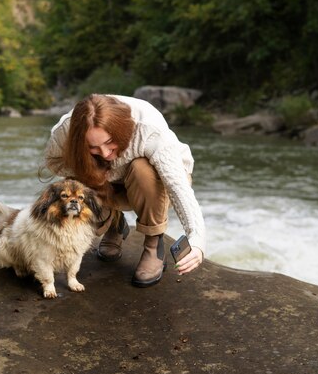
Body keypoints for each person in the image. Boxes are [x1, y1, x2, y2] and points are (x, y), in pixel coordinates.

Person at [44, 93, 205, 288]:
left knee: (141, 169)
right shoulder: (64, 131)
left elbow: (178, 187)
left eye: (109, 141)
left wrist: (196, 239)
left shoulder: (149, 132)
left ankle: (153, 244)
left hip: (155, 181)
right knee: (79, 187)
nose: (104, 152)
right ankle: (114, 224)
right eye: (93, 147)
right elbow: (54, 163)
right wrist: (94, 171)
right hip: (107, 181)